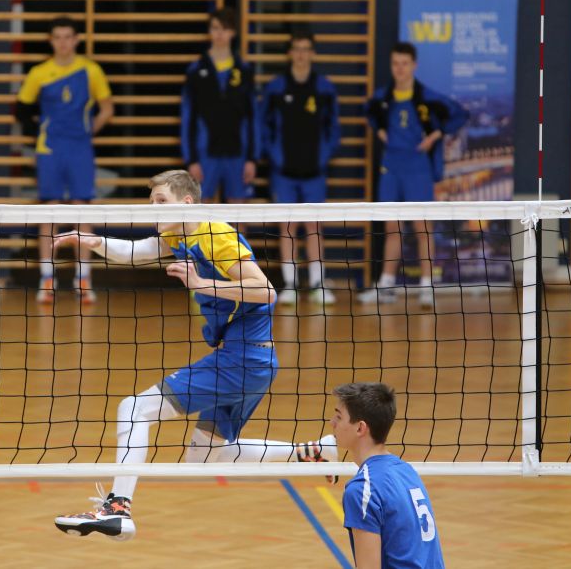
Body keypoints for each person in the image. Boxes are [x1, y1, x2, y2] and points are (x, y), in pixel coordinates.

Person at [52, 169, 336, 540]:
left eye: (161, 201)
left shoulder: (216, 235)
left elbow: (265, 290)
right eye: (151, 202)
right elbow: (137, 251)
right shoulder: (179, 233)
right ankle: (312, 451)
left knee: (134, 409)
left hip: (241, 360)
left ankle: (117, 508)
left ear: (187, 203)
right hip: (251, 363)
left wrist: (202, 283)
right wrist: (92, 241)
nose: (154, 209)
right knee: (202, 459)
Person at [359, 42, 468, 308]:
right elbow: (369, 112)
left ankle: (427, 287)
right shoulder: (382, 98)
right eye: (395, 63)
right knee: (391, 226)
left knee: (422, 226)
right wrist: (380, 131)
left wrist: (435, 135)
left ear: (414, 65)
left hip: (418, 165)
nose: (400, 69)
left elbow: (460, 114)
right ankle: (386, 286)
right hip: (391, 165)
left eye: (404, 63)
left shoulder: (427, 97)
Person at [16, 16, 114, 305]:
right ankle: (47, 279)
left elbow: (107, 108)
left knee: (83, 211)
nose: (62, 42)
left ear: (76, 39)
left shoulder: (91, 70)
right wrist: (40, 132)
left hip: (80, 148)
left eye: (67, 36)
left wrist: (87, 131)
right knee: (49, 212)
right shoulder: (39, 73)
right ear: (51, 40)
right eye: (57, 37)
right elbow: (22, 109)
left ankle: (83, 278)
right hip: (50, 150)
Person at [261, 30, 341, 305]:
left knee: (314, 226)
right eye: (296, 48)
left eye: (306, 49)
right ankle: (291, 284)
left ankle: (318, 284)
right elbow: (264, 126)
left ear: (312, 53)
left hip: (314, 172)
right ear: (290, 53)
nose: (301, 54)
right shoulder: (276, 88)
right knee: (287, 226)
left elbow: (333, 129)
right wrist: (275, 157)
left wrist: (322, 158)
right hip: (283, 173)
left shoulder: (325, 89)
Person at [331, 382, 444, 569]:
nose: (332, 422)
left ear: (360, 428)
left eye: (339, 416)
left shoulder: (361, 490)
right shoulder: (406, 471)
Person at [181, 8, 259, 203]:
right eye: (215, 28)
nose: (219, 33)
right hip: (205, 153)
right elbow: (188, 117)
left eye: (225, 28)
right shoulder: (195, 70)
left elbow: (253, 117)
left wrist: (252, 158)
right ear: (209, 31)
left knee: (239, 212)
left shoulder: (245, 71)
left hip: (238, 154)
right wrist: (191, 159)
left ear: (233, 32)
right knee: (200, 209)